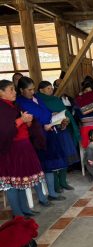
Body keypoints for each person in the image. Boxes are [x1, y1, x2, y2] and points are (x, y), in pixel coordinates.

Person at [16, 76, 68, 202]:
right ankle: (43, 196)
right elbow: (30, 121)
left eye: (33, 89)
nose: (32, 92)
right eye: (29, 90)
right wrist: (42, 126)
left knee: (50, 165)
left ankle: (52, 193)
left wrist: (54, 116)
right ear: (21, 90)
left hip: (49, 133)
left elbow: (44, 112)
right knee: (39, 167)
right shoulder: (19, 102)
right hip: (36, 137)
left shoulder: (37, 97)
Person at [0, 79, 45, 217]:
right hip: (11, 149)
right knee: (12, 183)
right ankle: (18, 214)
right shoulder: (1, 108)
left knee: (21, 181)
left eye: (14, 89)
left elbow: (21, 124)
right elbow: (4, 130)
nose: (14, 92)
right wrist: (21, 121)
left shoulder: (14, 105)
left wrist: (29, 122)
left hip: (23, 146)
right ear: (1, 92)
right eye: (11, 90)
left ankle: (25, 209)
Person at [37, 81, 80, 192]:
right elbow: (40, 117)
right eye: (47, 88)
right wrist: (51, 115)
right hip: (50, 133)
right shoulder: (38, 101)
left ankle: (63, 182)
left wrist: (66, 120)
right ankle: (56, 185)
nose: (51, 90)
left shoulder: (56, 99)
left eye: (51, 88)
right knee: (54, 160)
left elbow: (66, 113)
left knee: (65, 156)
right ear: (41, 90)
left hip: (62, 131)